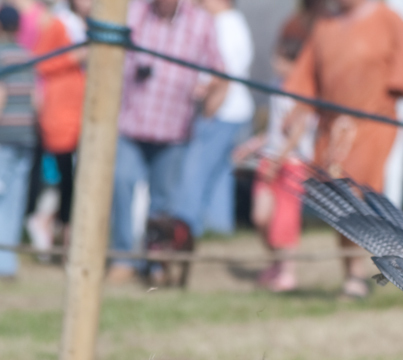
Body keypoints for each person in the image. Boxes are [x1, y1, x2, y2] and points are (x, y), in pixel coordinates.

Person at [282, 0, 403, 299]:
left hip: (373, 125)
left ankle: (387, 265)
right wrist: (297, 110)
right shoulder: (325, 25)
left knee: (354, 193)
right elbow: (307, 76)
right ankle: (354, 273)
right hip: (332, 130)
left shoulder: (388, 19)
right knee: (337, 200)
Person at [107, 0, 224, 284]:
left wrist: (208, 97)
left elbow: (220, 73)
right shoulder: (133, 13)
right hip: (130, 124)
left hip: (174, 130)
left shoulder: (200, 22)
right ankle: (123, 258)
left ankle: (156, 262)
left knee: (164, 202)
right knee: (121, 184)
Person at [232, 30, 316, 292]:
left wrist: (280, 159)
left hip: (292, 163)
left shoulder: (305, 91)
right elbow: (274, 129)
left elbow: (299, 130)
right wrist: (254, 145)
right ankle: (275, 263)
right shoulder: (276, 86)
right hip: (271, 158)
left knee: (285, 220)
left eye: (281, 59)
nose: (275, 63)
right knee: (260, 216)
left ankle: (287, 273)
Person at [173, 0, 254, 240]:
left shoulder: (224, 25)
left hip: (222, 112)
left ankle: (187, 230)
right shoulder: (235, 22)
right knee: (219, 176)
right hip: (235, 112)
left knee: (195, 173)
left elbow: (223, 76)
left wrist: (208, 113)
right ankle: (218, 229)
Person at [29, 0, 87, 249]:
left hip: (84, 113)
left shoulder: (85, 25)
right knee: (65, 177)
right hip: (62, 112)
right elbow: (40, 62)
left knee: (77, 178)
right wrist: (71, 58)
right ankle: (51, 226)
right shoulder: (57, 22)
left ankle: (69, 237)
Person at [0, 3, 36, 280]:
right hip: (26, 136)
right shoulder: (27, 56)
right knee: (13, 201)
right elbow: (37, 100)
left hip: (4, 139)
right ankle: (7, 263)